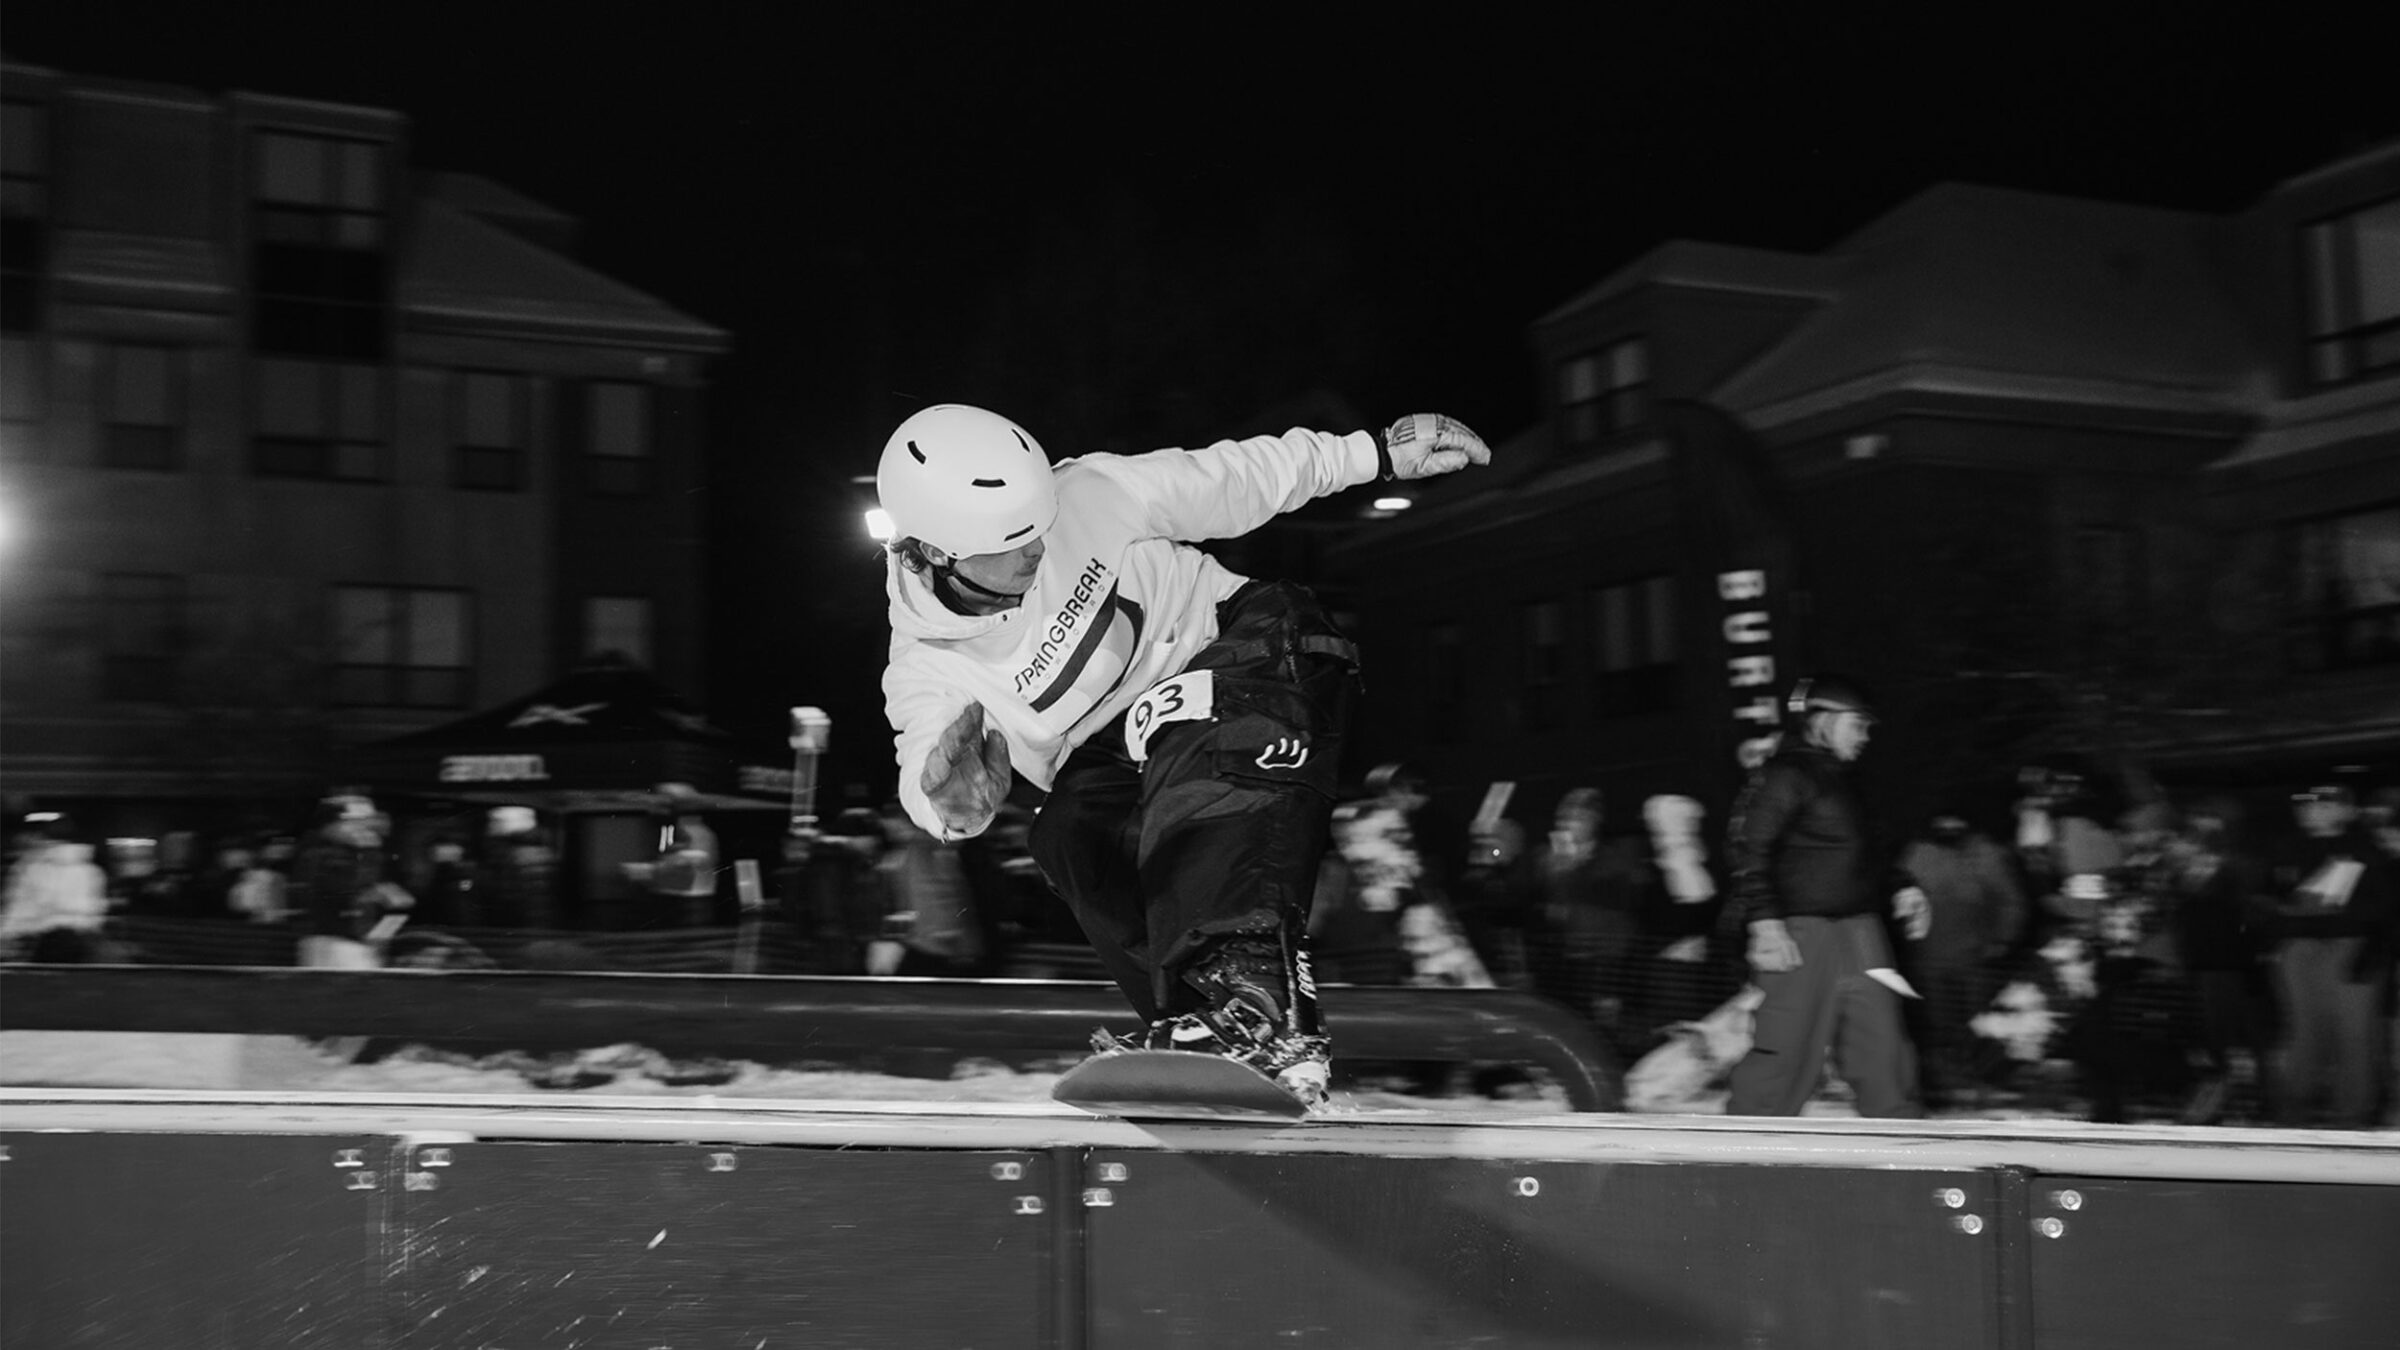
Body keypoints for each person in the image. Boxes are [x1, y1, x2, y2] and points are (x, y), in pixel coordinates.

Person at [875, 403, 1491, 1103]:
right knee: (1068, 834)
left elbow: (1233, 477)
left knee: (1195, 741)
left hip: (1246, 649)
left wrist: (1373, 452)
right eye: (1012, 542)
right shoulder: (927, 665)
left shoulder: (1090, 492)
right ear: (932, 552)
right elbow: (921, 757)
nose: (1038, 549)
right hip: (1129, 750)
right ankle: (1199, 1018)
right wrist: (947, 804)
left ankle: (1254, 1003)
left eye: (1040, 525)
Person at [1723, 676, 1931, 1118]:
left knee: (1883, 1042)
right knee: (1789, 1043)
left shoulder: (1847, 782)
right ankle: (1753, 1141)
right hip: (1801, 933)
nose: (1865, 736)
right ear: (1821, 721)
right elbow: (1748, 847)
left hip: (1861, 931)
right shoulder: (1786, 774)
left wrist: (1902, 887)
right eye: (1857, 724)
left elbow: (1868, 852)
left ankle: (1901, 1138)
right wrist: (1764, 921)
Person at [2257, 782, 2396, 1128]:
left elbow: (2388, 910)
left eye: (2325, 803)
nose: (2313, 809)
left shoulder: (2370, 851)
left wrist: (2373, 953)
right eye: (2306, 803)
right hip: (2301, 950)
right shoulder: (2283, 849)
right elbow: (2267, 903)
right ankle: (2294, 1108)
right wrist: (2275, 941)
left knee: (2354, 1032)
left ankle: (2353, 1113)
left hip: (2352, 946)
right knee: (2303, 1030)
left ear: (2348, 811)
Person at [1898, 808, 2028, 1107]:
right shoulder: (1917, 854)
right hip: (1928, 957)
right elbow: (1899, 896)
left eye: (1955, 820)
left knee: (1976, 1024)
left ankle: (1979, 1082)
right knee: (1935, 1023)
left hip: (1974, 959)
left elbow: (2011, 902)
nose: (1949, 827)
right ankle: (1942, 1086)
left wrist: (2001, 940)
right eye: (1943, 822)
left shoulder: (1986, 854)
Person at [0, 812, 113, 961]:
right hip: (83, 942)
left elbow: (21, 907)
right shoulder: (92, 871)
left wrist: (5, 935)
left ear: (41, 837)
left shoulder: (32, 868)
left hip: (43, 941)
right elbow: (96, 910)